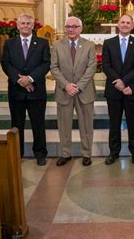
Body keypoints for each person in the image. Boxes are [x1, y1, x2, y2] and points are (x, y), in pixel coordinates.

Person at [1, 13, 50, 166]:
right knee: (17, 125)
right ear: (17, 25)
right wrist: (19, 79)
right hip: (16, 91)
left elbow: (45, 64)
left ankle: (40, 153)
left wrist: (29, 79)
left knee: (38, 123)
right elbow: (6, 64)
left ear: (32, 25)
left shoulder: (42, 43)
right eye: (22, 23)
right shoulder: (9, 43)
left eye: (28, 23)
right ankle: (17, 153)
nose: (25, 26)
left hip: (36, 90)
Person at [50, 16, 97, 167]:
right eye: (68, 26)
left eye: (74, 26)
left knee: (86, 125)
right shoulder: (57, 45)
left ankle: (87, 154)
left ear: (80, 29)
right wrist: (66, 85)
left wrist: (78, 86)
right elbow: (54, 67)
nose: (70, 29)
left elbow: (91, 68)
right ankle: (65, 153)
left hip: (84, 91)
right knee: (64, 125)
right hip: (64, 92)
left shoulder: (89, 45)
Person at [102, 14, 134, 165]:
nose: (125, 25)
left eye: (128, 22)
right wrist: (119, 83)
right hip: (114, 90)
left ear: (133, 26)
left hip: (131, 89)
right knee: (114, 123)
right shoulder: (108, 43)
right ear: (118, 25)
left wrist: (124, 83)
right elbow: (106, 65)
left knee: (133, 123)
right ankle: (114, 152)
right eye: (123, 22)